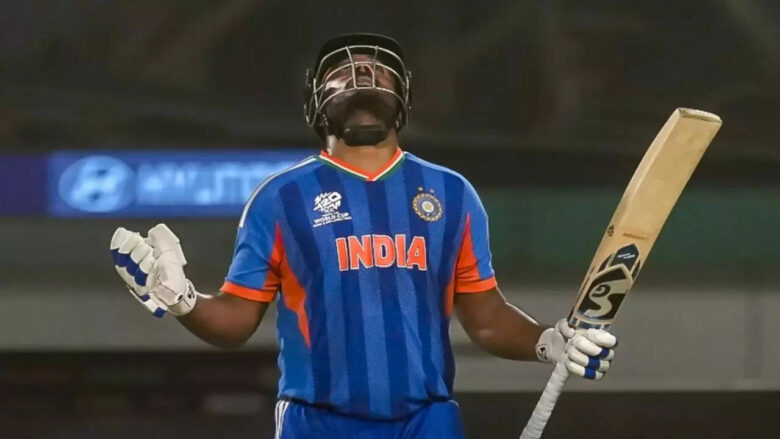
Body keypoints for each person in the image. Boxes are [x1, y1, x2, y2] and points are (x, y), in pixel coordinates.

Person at [109, 33, 618, 439]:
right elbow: (235, 322)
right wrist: (182, 300)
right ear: (316, 100)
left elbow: (486, 317)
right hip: (316, 422)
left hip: (426, 421)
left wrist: (548, 342)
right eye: (342, 70)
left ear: (402, 95)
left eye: (377, 68)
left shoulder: (452, 193)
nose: (361, 72)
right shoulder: (280, 198)